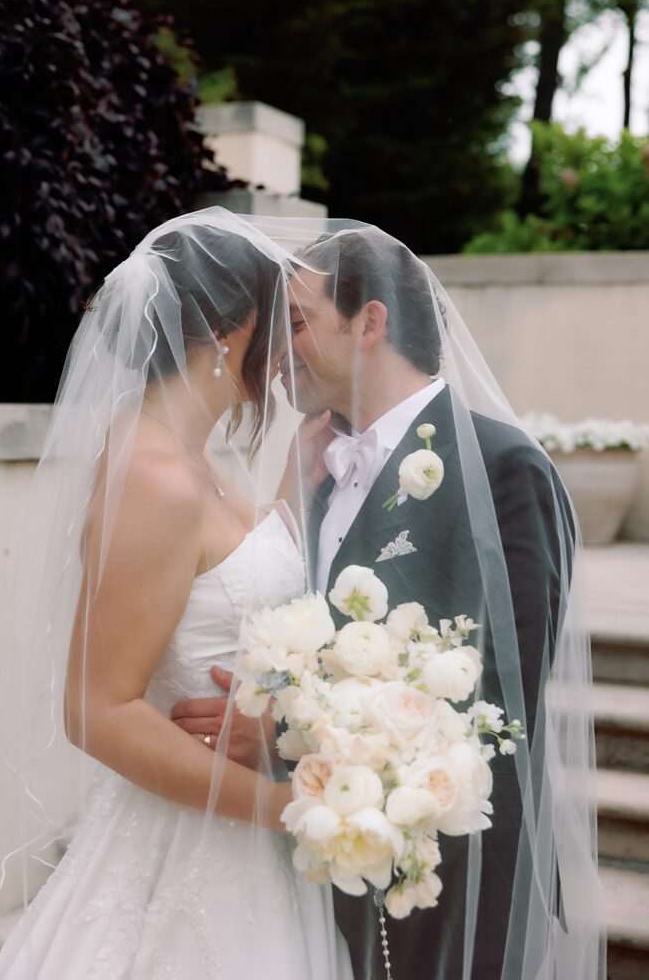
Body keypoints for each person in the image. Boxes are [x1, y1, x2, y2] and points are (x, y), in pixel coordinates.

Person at [173, 219, 605, 980]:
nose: (275, 354)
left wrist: (285, 732)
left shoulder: (504, 468)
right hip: (320, 867)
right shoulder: (312, 465)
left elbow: (503, 695)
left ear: (369, 321)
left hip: (451, 879)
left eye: (297, 323)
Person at [0, 209, 353, 980]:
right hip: (195, 840)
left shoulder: (189, 453)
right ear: (231, 329)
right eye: (279, 317)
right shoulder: (151, 474)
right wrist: (287, 806)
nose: (289, 344)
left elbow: (225, 571)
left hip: (240, 831)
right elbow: (96, 711)